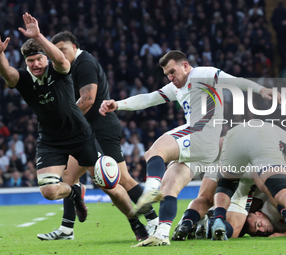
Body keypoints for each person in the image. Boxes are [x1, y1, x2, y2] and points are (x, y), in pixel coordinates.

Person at [99, 50, 277, 246]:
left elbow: (234, 81)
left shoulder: (202, 74)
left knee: (154, 151)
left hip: (202, 134)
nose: (171, 77)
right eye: (167, 74)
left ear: (185, 66)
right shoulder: (176, 88)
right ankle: (162, 234)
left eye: (173, 71)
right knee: (169, 187)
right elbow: (148, 99)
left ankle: (149, 190)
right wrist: (118, 104)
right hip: (200, 148)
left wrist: (261, 90)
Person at [36, 31, 158, 241]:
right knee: (68, 177)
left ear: (74, 47)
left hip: (101, 129)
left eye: (63, 49)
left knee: (122, 179)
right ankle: (67, 229)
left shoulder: (85, 63)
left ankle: (154, 221)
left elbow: (88, 99)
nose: (60, 53)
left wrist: (64, 124)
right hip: (82, 132)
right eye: (57, 51)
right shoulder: (66, 66)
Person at [0, 12, 100, 226]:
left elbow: (60, 58)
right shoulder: (24, 77)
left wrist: (38, 37)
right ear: (25, 63)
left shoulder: (58, 70)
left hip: (79, 132)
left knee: (106, 182)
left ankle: (145, 220)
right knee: (49, 191)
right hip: (50, 138)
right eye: (30, 61)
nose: (35, 64)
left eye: (39, 59)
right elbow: (8, 74)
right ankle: (75, 191)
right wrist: (0, 54)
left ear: (45, 57)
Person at [211, 121, 286, 240]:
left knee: (225, 186)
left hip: (234, 138)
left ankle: (218, 218)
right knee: (282, 191)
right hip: (265, 146)